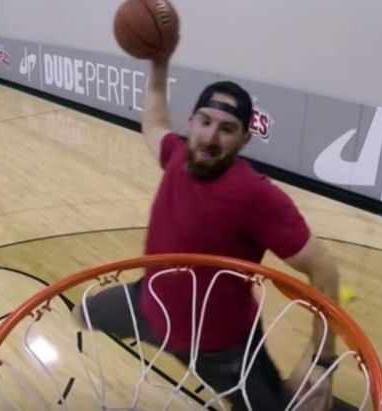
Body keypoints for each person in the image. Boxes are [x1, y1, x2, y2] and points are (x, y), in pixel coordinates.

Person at [74, 49, 341, 409]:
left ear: (244, 139)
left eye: (227, 129)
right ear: (192, 121)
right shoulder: (176, 155)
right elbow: (153, 123)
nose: (211, 136)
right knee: (82, 313)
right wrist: (159, 64)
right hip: (147, 306)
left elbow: (324, 268)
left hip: (221, 347)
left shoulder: (256, 195)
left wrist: (321, 362)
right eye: (205, 121)